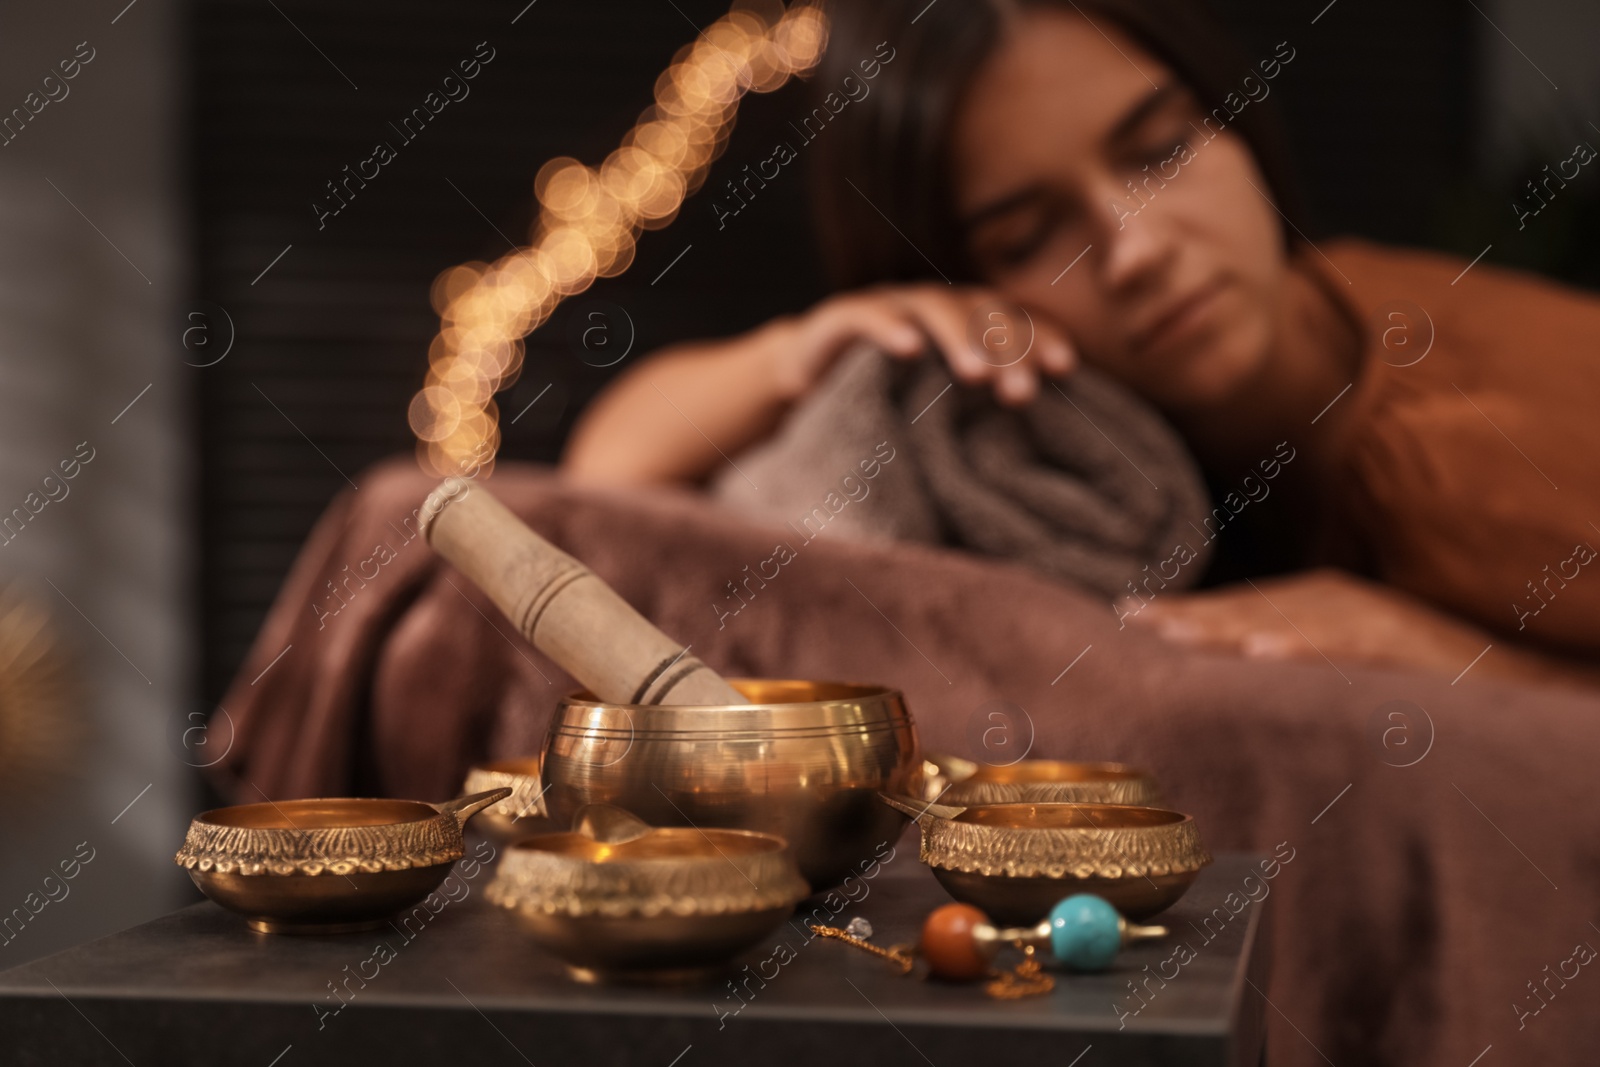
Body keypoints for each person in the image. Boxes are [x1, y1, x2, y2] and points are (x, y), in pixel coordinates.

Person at [562, 0, 1600, 689]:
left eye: (1160, 149)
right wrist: (803, 350)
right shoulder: (1061, 435)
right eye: (1029, 234)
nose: (1136, 248)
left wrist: (1453, 661)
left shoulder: (1474, 446)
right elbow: (601, 481)